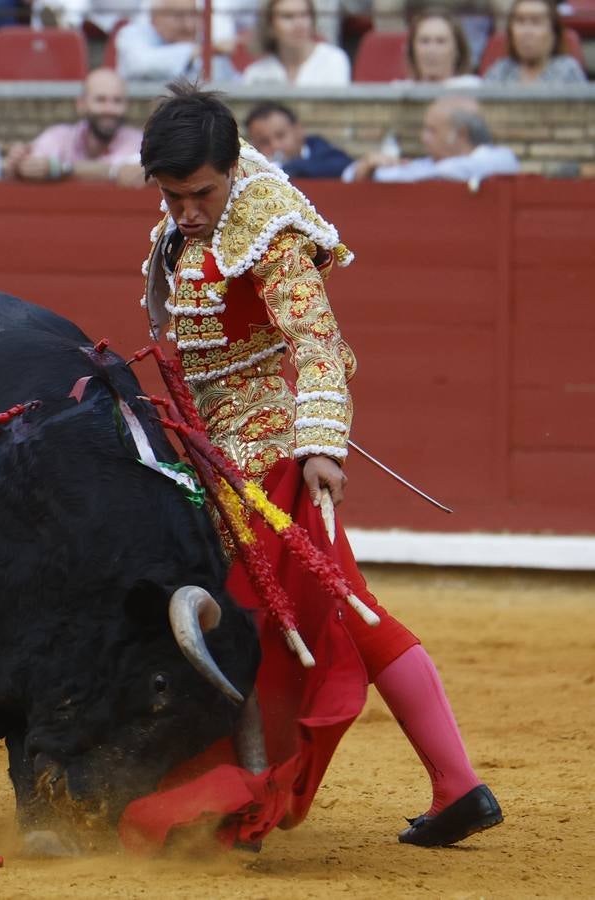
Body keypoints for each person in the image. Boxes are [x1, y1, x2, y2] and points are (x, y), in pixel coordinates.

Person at [124, 81, 503, 851]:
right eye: (171, 196)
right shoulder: (193, 209)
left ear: (231, 168)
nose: (186, 212)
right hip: (214, 448)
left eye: (199, 194)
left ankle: (238, 793)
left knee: (273, 621)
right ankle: (459, 785)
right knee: (351, 613)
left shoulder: (272, 226)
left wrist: (322, 445)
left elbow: (318, 342)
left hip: (266, 457)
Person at [5, 68, 145, 186]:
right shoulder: (58, 136)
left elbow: (127, 174)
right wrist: (20, 163)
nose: (109, 109)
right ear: (81, 104)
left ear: (126, 106)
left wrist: (60, 169)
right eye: (100, 100)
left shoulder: (139, 142)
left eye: (117, 101)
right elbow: (30, 163)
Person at [344, 95, 518, 183]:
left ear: (461, 134)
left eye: (432, 131)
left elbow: (457, 170)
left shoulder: (496, 159)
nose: (423, 137)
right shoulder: (429, 165)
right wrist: (368, 166)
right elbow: (349, 175)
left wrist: (404, 172)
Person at [114, 0, 239, 82]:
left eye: (194, 15)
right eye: (179, 16)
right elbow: (141, 65)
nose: (188, 25)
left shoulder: (207, 45)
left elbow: (229, 82)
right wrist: (201, 50)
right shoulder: (132, 34)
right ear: (156, 17)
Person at [242, 0, 350, 86]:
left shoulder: (333, 60)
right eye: (288, 16)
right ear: (270, 26)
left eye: (304, 15)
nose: (299, 25)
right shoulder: (255, 74)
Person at [483, 0, 587, 85]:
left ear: (554, 32)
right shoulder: (501, 71)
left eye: (536, 22)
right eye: (520, 21)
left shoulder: (567, 71)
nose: (526, 31)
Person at [244, 101, 351, 178]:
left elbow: (344, 167)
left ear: (298, 130)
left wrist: (284, 168)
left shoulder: (322, 150)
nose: (275, 146)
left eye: (281, 135)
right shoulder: (250, 168)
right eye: (264, 142)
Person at [405, 9, 480, 86]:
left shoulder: (474, 89)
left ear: (458, 50)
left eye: (440, 41)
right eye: (425, 41)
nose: (431, 50)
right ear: (412, 50)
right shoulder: (400, 91)